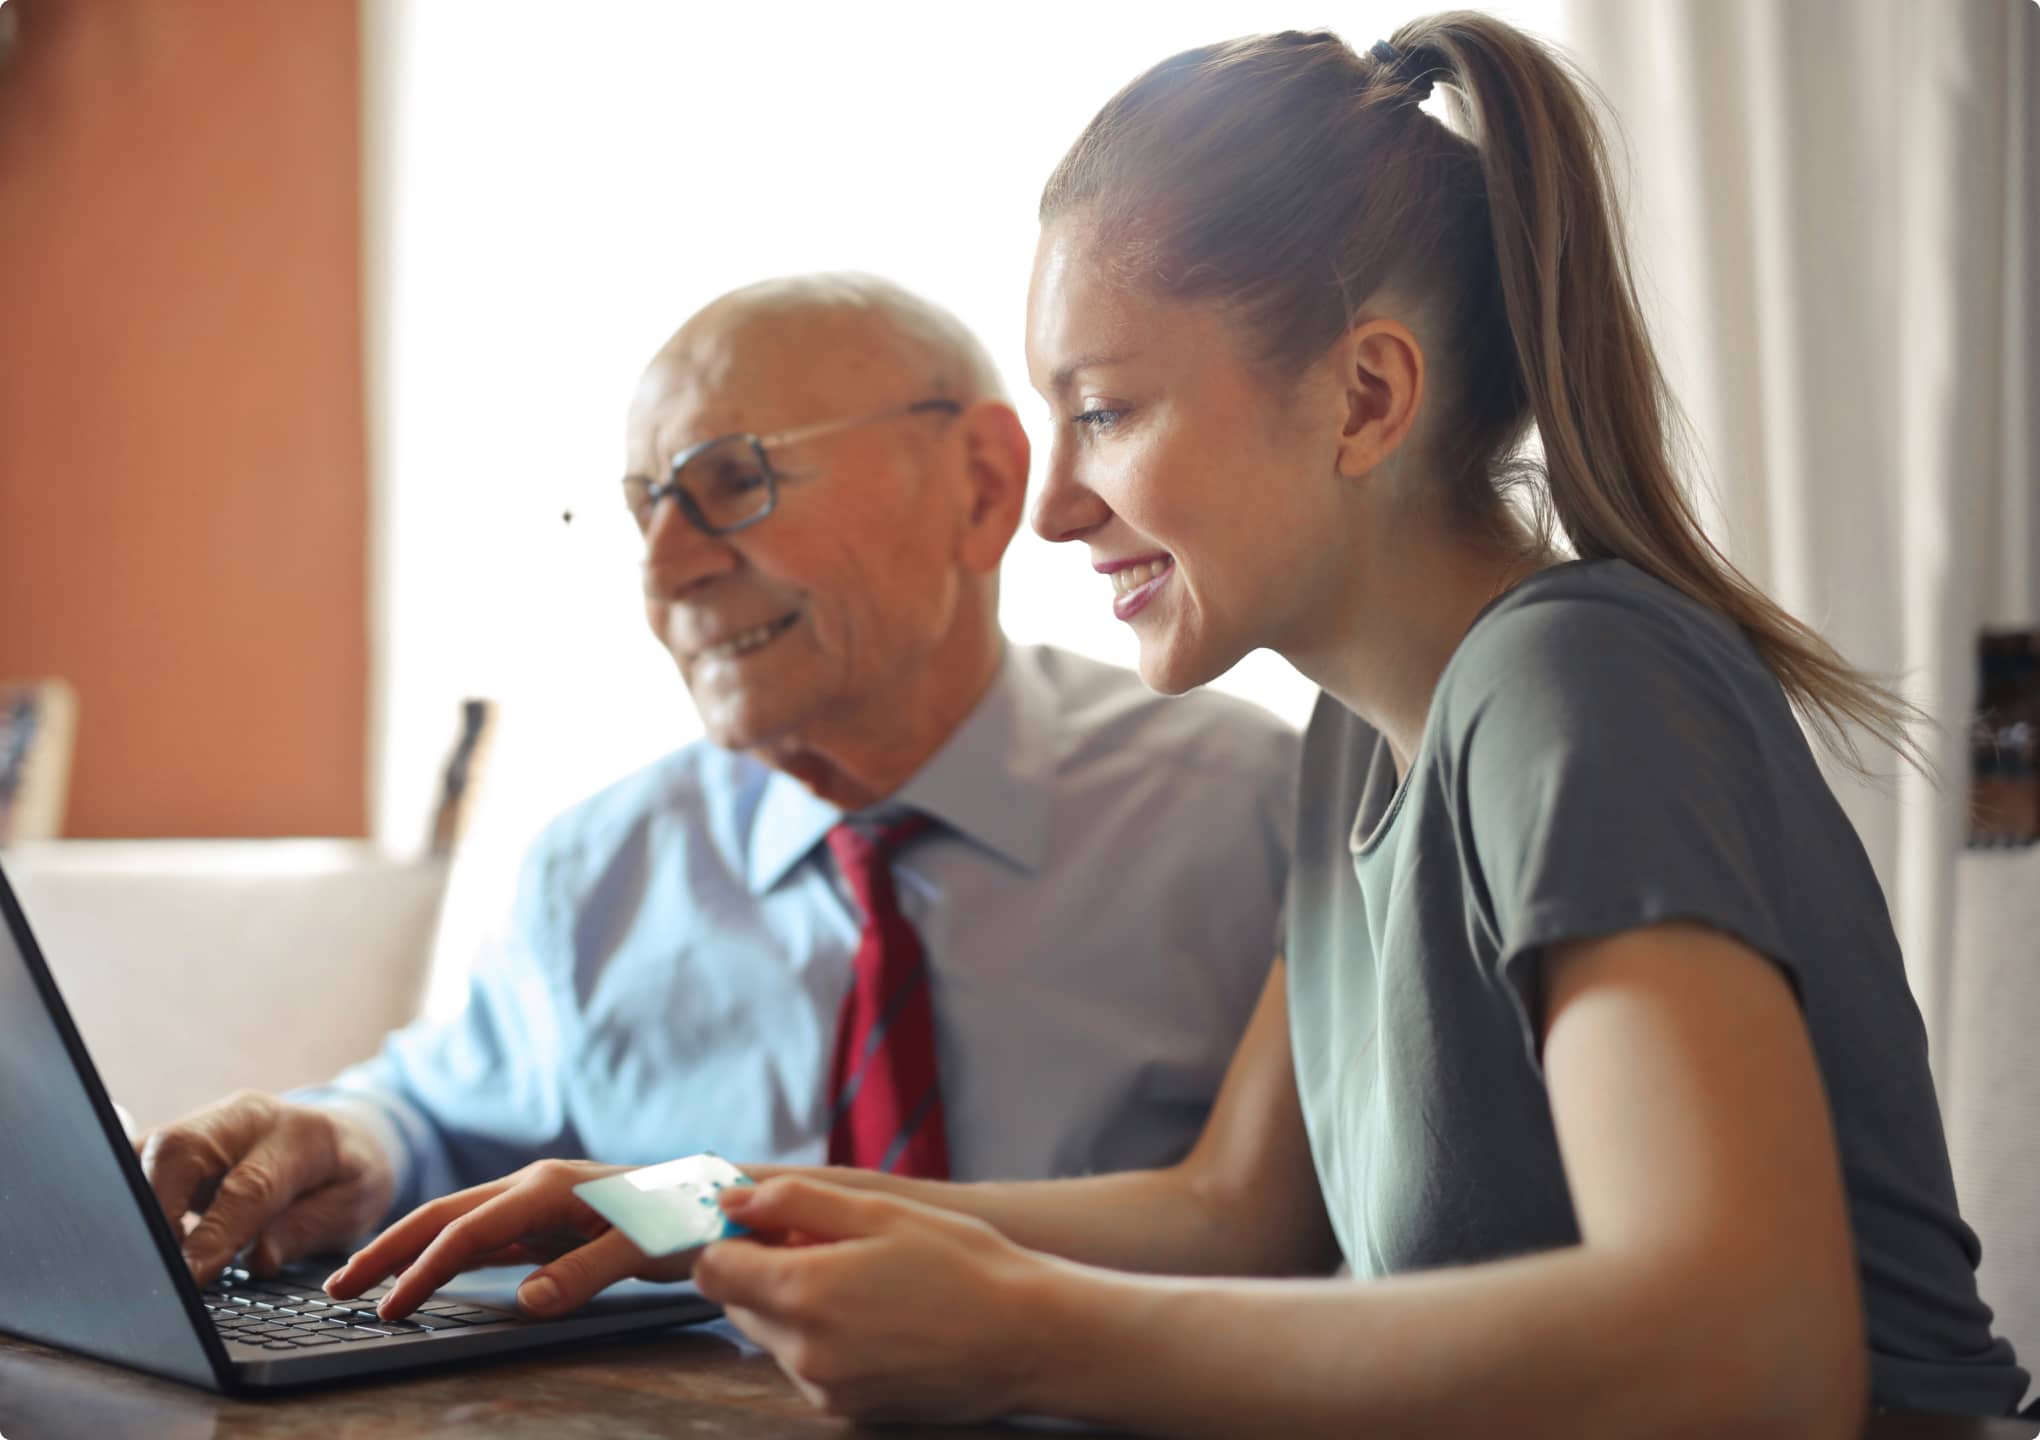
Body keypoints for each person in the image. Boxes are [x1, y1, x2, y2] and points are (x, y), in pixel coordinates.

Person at [324, 17, 2033, 1432]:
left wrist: (1024, 1336)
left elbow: (1752, 1357)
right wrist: (686, 1202)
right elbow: (1233, 1214)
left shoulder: (1571, 686)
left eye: (1108, 409)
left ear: (1367, 396)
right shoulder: (1361, 743)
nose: (1053, 507)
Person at [137, 274, 1298, 1294]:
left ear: (983, 486)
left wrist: (692, 1208)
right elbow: (439, 1116)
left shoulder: (1250, 813)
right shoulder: (601, 867)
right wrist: (348, 1142)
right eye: (645, 509)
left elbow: (1285, 1232)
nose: (665, 570)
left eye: (733, 481)